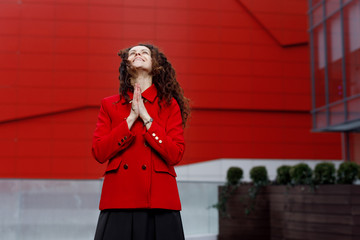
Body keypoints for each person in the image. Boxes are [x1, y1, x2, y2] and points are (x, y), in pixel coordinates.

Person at [92, 43, 190, 240]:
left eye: (144, 52)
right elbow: (99, 152)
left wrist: (146, 119)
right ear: (126, 64)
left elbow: (176, 154)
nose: (138, 53)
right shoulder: (109, 104)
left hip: (159, 200)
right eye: (132, 53)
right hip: (119, 198)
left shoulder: (169, 105)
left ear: (156, 65)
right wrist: (130, 119)